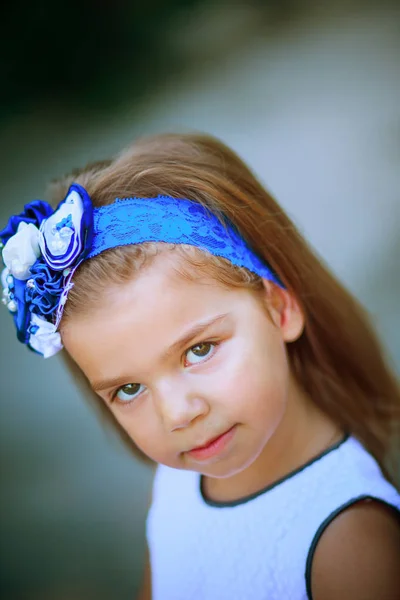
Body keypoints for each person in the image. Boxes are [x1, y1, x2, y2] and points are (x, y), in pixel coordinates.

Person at [1, 133, 400, 600]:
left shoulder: (350, 544)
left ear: (279, 307)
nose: (176, 415)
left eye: (200, 350)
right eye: (128, 389)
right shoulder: (181, 480)